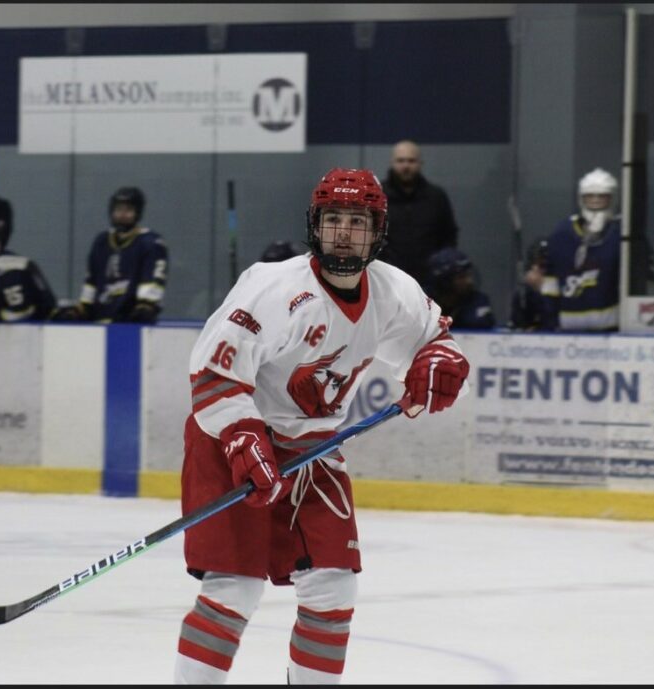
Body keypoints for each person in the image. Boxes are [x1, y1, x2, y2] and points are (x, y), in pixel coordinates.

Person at [174, 167, 470, 685]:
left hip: (314, 450)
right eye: (334, 219)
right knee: (234, 589)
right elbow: (213, 374)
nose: (343, 233)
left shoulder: (392, 291)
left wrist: (441, 364)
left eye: (357, 222)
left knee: (334, 587)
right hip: (233, 438)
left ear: (378, 231)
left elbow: (436, 344)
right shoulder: (271, 287)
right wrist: (245, 438)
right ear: (316, 224)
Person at [54, 186, 168, 324]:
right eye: (118, 209)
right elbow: (91, 282)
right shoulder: (101, 242)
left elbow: (153, 283)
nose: (122, 215)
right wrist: (83, 308)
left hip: (131, 324)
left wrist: (146, 307)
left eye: (128, 210)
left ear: (138, 212)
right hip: (100, 320)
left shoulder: (150, 243)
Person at [545, 168, 623, 333]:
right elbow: (551, 283)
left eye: (602, 196)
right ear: (581, 198)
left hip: (611, 330)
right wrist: (550, 323)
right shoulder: (562, 234)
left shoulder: (622, 233)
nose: (595, 201)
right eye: (590, 196)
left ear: (613, 198)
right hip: (567, 330)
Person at [377, 140, 460, 289]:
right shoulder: (378, 197)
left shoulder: (436, 196)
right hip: (388, 279)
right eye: (401, 160)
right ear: (392, 162)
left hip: (431, 283)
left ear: (420, 163)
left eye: (411, 160)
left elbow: (449, 235)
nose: (406, 166)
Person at [425, 246, 495, 330]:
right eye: (461, 277)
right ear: (444, 281)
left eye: (469, 275)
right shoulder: (424, 301)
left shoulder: (478, 300)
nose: (469, 281)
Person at [508, 236, 559, 332]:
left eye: (546, 264)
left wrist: (542, 292)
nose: (541, 269)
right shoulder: (523, 293)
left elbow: (552, 322)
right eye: (539, 263)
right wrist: (532, 291)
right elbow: (518, 325)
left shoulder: (560, 288)